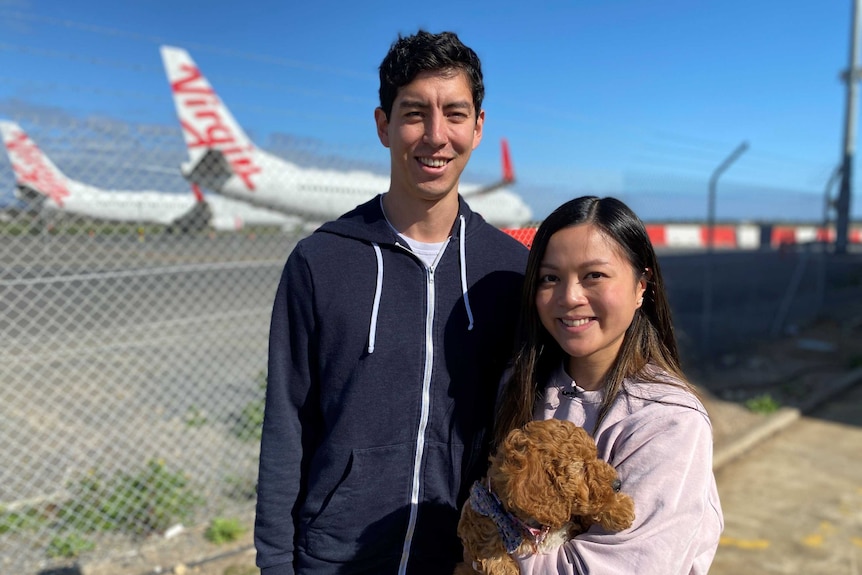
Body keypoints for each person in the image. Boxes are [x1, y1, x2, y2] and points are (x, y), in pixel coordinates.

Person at [254, 30, 529, 575]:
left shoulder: (508, 271)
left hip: (460, 560)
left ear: (477, 126)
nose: (435, 135)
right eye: (413, 113)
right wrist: (276, 563)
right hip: (333, 559)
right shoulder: (320, 261)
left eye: (454, 113)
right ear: (383, 125)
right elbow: (286, 422)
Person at [490, 196, 723, 574]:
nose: (569, 297)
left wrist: (491, 544)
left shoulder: (668, 420)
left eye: (593, 276)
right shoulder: (518, 386)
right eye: (550, 278)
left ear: (641, 287)